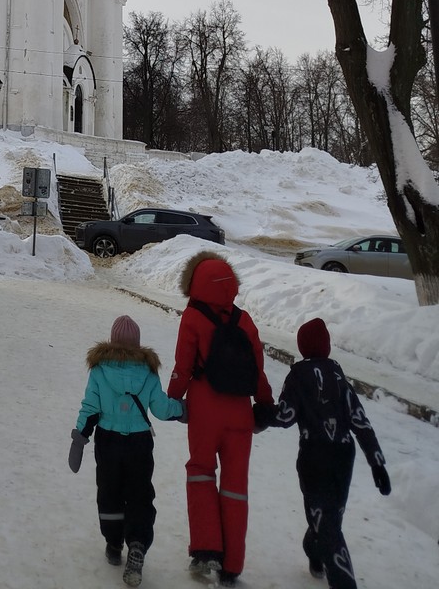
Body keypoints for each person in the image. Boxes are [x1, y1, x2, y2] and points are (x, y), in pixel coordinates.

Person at [167, 252, 274, 586]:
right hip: (240, 413)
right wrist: (265, 403)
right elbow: (258, 368)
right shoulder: (245, 321)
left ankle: (206, 550)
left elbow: (183, 365)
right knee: (235, 486)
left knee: (200, 472)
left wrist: (173, 399)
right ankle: (233, 563)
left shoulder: (193, 317)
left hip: (204, 409)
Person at [268, 317, 390, 589]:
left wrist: (261, 415)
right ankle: (316, 547)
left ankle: (324, 557)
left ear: (301, 346)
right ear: (327, 347)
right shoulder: (338, 377)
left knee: (328, 522)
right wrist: (377, 463)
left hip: (314, 457)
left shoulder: (298, 376)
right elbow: (360, 421)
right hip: (343, 457)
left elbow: (285, 416)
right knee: (331, 518)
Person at [68, 313, 186, 588]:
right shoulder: (147, 372)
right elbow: (159, 407)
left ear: (111, 341)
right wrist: (181, 410)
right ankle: (137, 543)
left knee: (109, 491)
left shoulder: (99, 371)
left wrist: (79, 438)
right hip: (139, 443)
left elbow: (91, 408)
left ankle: (113, 544)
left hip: (108, 441)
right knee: (139, 493)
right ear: (138, 343)